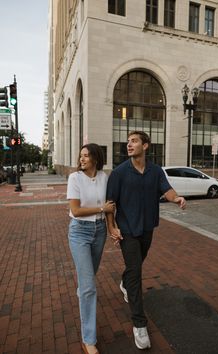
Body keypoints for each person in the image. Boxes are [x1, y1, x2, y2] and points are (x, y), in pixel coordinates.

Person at [106, 131, 186, 350]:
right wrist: (112, 227)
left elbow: (166, 190)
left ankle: (125, 282)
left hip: (148, 227)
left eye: (134, 141)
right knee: (136, 271)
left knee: (136, 266)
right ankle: (139, 324)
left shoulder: (155, 171)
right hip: (128, 230)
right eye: (128, 142)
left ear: (146, 145)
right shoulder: (119, 173)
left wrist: (176, 197)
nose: (129, 145)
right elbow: (110, 203)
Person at [67, 143, 115, 354]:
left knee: (90, 275)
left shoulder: (105, 178)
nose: (82, 159)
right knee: (89, 287)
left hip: (100, 231)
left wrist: (112, 227)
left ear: (96, 157)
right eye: (81, 156)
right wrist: (101, 208)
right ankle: (89, 339)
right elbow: (76, 211)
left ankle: (83, 289)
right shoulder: (75, 178)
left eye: (86, 156)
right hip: (79, 231)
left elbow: (110, 207)